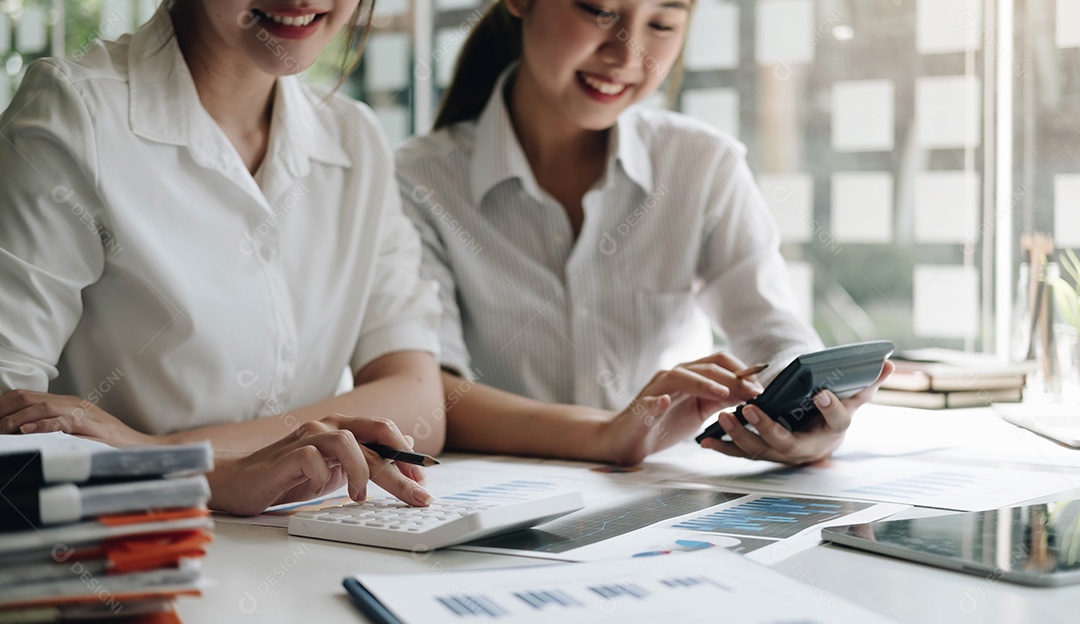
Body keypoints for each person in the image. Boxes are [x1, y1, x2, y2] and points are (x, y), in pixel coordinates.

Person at [397, 0, 894, 467]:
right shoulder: (418, 180)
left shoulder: (700, 163)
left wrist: (809, 413)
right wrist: (608, 434)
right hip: (496, 506)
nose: (626, 53)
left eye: (661, 24)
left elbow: (772, 334)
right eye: (599, 10)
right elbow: (426, 393)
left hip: (664, 504)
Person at [0, 0, 442, 512]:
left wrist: (164, 452)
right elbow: (12, 422)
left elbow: (417, 399)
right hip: (131, 564)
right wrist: (207, 473)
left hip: (307, 556)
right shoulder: (74, 112)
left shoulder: (355, 138)